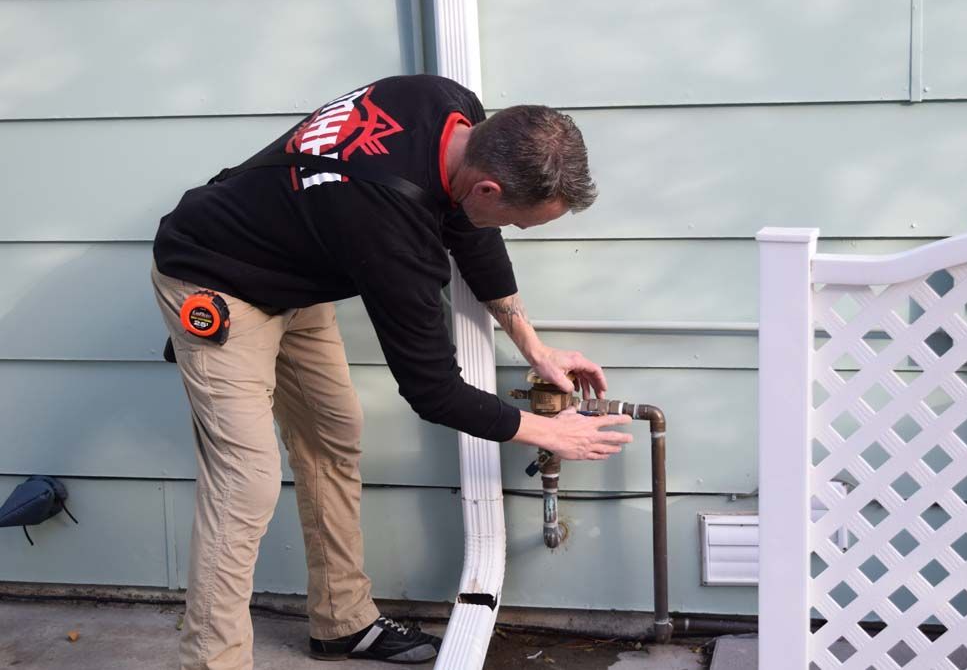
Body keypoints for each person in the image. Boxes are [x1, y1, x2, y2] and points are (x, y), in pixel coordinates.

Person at [151, 74, 633, 669]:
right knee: (244, 483)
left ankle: (341, 622)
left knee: (333, 437)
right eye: (515, 220)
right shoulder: (387, 222)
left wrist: (534, 348)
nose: (508, 230)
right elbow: (433, 390)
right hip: (215, 277)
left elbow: (469, 229)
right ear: (487, 183)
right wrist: (548, 432)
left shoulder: (446, 105)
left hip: (294, 274)